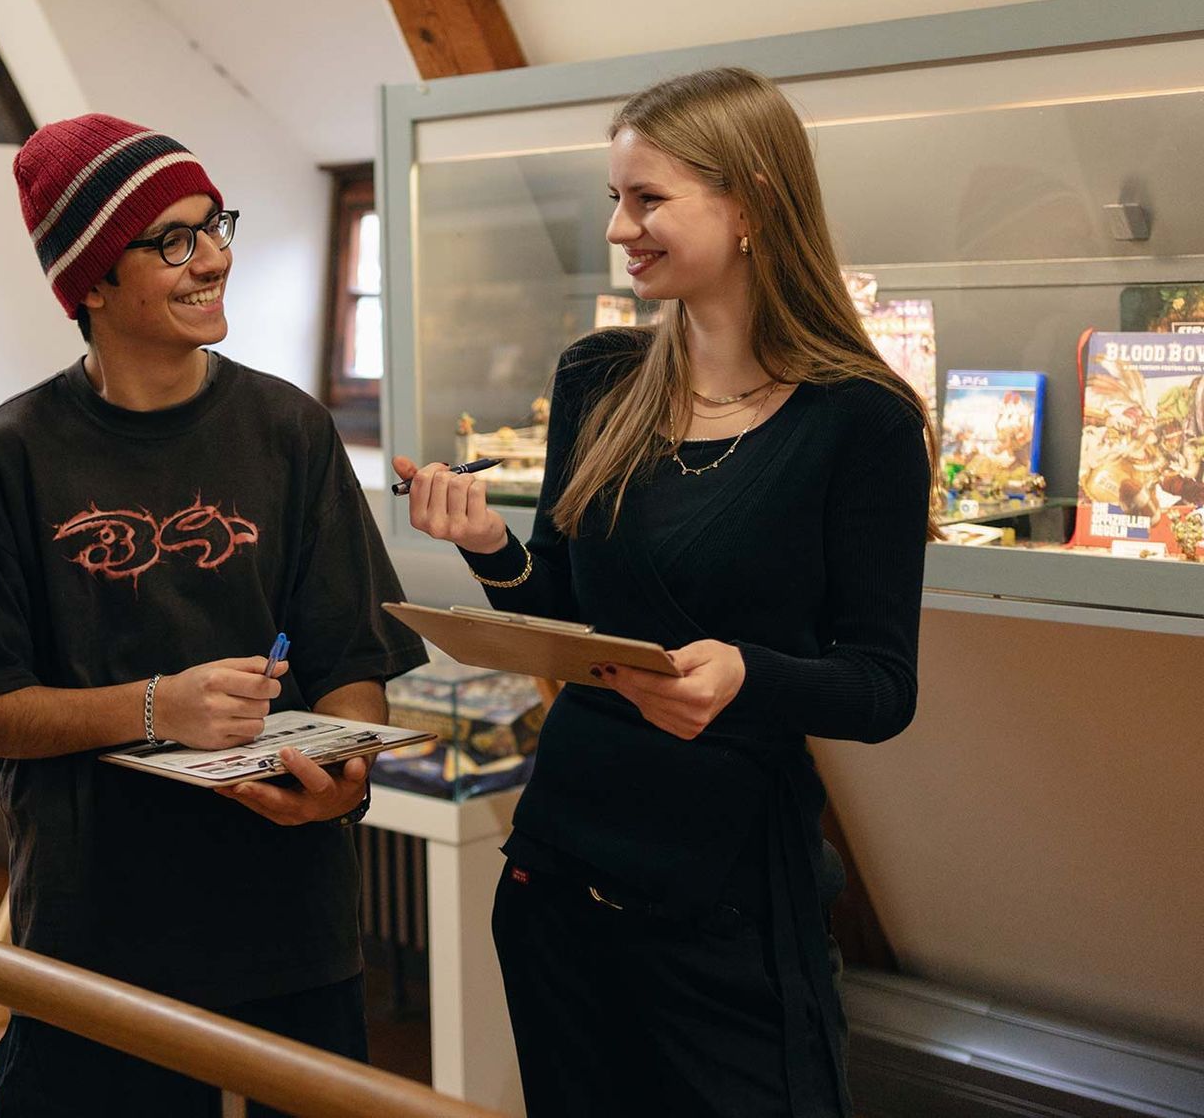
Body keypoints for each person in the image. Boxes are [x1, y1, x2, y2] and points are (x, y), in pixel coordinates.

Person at [394, 67, 934, 1117]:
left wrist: (746, 674)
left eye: (648, 199)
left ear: (751, 204)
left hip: (729, 894)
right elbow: (563, 612)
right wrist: (492, 548)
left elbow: (880, 687)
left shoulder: (860, 421)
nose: (618, 229)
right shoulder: (598, 378)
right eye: (615, 199)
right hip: (559, 868)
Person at [0, 113, 428, 1117]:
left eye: (215, 225)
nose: (216, 258)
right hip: (98, 925)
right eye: (176, 239)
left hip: (294, 917)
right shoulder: (11, 453)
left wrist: (344, 779)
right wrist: (157, 705)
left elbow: (349, 655)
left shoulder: (290, 429)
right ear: (93, 281)